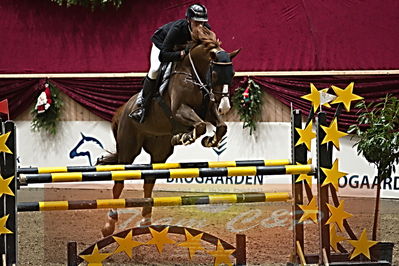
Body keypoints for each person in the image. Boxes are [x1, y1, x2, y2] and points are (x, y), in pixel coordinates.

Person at [129, 3, 211, 123]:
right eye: (196, 22)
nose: (200, 26)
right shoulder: (178, 29)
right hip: (162, 44)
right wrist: (181, 54)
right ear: (188, 20)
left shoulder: (206, 29)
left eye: (202, 22)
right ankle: (143, 106)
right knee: (155, 69)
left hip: (179, 47)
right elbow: (163, 55)